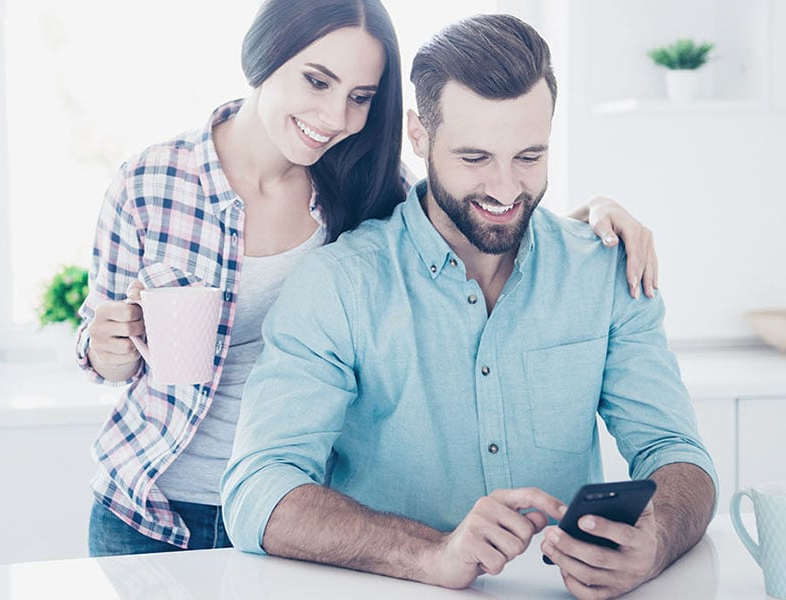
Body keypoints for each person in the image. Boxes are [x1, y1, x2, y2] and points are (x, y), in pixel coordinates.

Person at [78, 0, 658, 557]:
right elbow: (97, 345)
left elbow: (482, 210)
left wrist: (591, 221)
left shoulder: (369, 187)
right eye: (316, 81)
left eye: (360, 97)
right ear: (264, 56)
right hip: (152, 499)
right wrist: (109, 348)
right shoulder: (151, 182)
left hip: (295, 505)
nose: (335, 118)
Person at [220, 13, 717, 599]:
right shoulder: (339, 285)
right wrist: (431, 553)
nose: (506, 190)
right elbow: (258, 488)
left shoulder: (606, 271)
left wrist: (654, 541)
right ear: (420, 136)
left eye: (529, 157)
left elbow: (678, 454)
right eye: (475, 158)